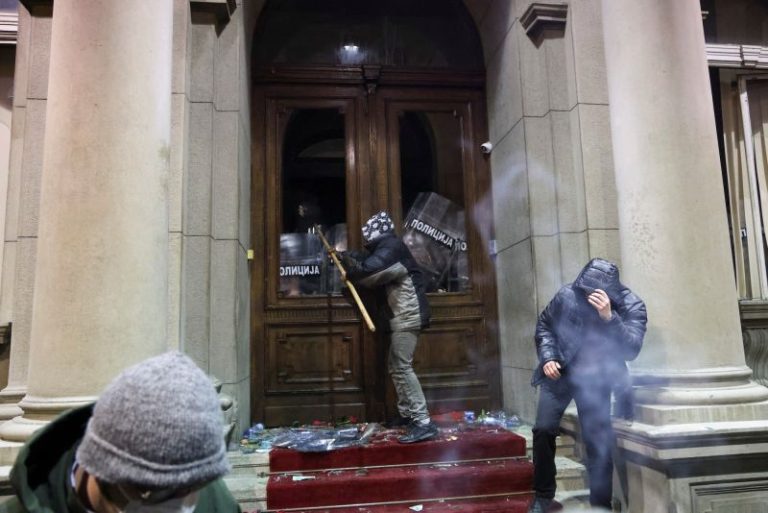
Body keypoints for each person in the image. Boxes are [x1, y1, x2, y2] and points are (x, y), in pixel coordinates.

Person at [0, 351, 241, 513]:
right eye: (154, 492)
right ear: (101, 468)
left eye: (191, 488)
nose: (182, 503)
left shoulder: (213, 497)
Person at [528, 258, 647, 513]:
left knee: (597, 442)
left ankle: (600, 505)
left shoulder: (632, 305)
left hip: (597, 378)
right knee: (543, 430)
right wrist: (548, 357)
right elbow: (544, 326)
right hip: (561, 372)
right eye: (583, 290)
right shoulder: (567, 294)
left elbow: (631, 350)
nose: (585, 296)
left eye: (591, 292)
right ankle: (543, 495)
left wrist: (609, 317)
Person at [341, 211, 437, 444]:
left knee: (402, 366)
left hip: (408, 315)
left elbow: (371, 271)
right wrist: (347, 256)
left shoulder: (392, 247)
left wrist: (350, 268)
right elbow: (368, 261)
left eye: (368, 231)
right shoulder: (388, 247)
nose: (365, 234)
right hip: (402, 315)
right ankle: (408, 415)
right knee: (397, 366)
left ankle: (423, 422)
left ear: (377, 231)